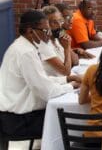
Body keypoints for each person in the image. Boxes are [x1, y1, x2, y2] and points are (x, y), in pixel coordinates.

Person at [0, 10, 81, 143]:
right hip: (18, 121)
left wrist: (67, 79)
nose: (49, 35)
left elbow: (41, 78)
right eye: (45, 30)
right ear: (30, 31)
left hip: (15, 116)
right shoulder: (25, 52)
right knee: (70, 121)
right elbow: (46, 92)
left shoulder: (23, 46)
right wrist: (71, 86)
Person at [41, 6, 79, 76]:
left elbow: (75, 61)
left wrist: (68, 46)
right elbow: (66, 72)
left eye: (60, 21)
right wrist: (66, 49)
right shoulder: (44, 45)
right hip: (57, 83)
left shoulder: (57, 40)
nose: (59, 25)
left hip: (64, 81)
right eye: (54, 22)